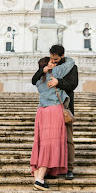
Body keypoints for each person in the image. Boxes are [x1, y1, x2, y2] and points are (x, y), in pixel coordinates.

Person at [32, 45, 78, 180]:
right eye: (51, 58)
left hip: (64, 107)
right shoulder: (49, 65)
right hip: (50, 107)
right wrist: (43, 70)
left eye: (56, 58)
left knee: (68, 139)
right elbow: (35, 80)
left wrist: (59, 82)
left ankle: (69, 168)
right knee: (51, 140)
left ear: (62, 56)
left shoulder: (71, 67)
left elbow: (73, 84)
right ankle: (52, 168)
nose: (53, 60)